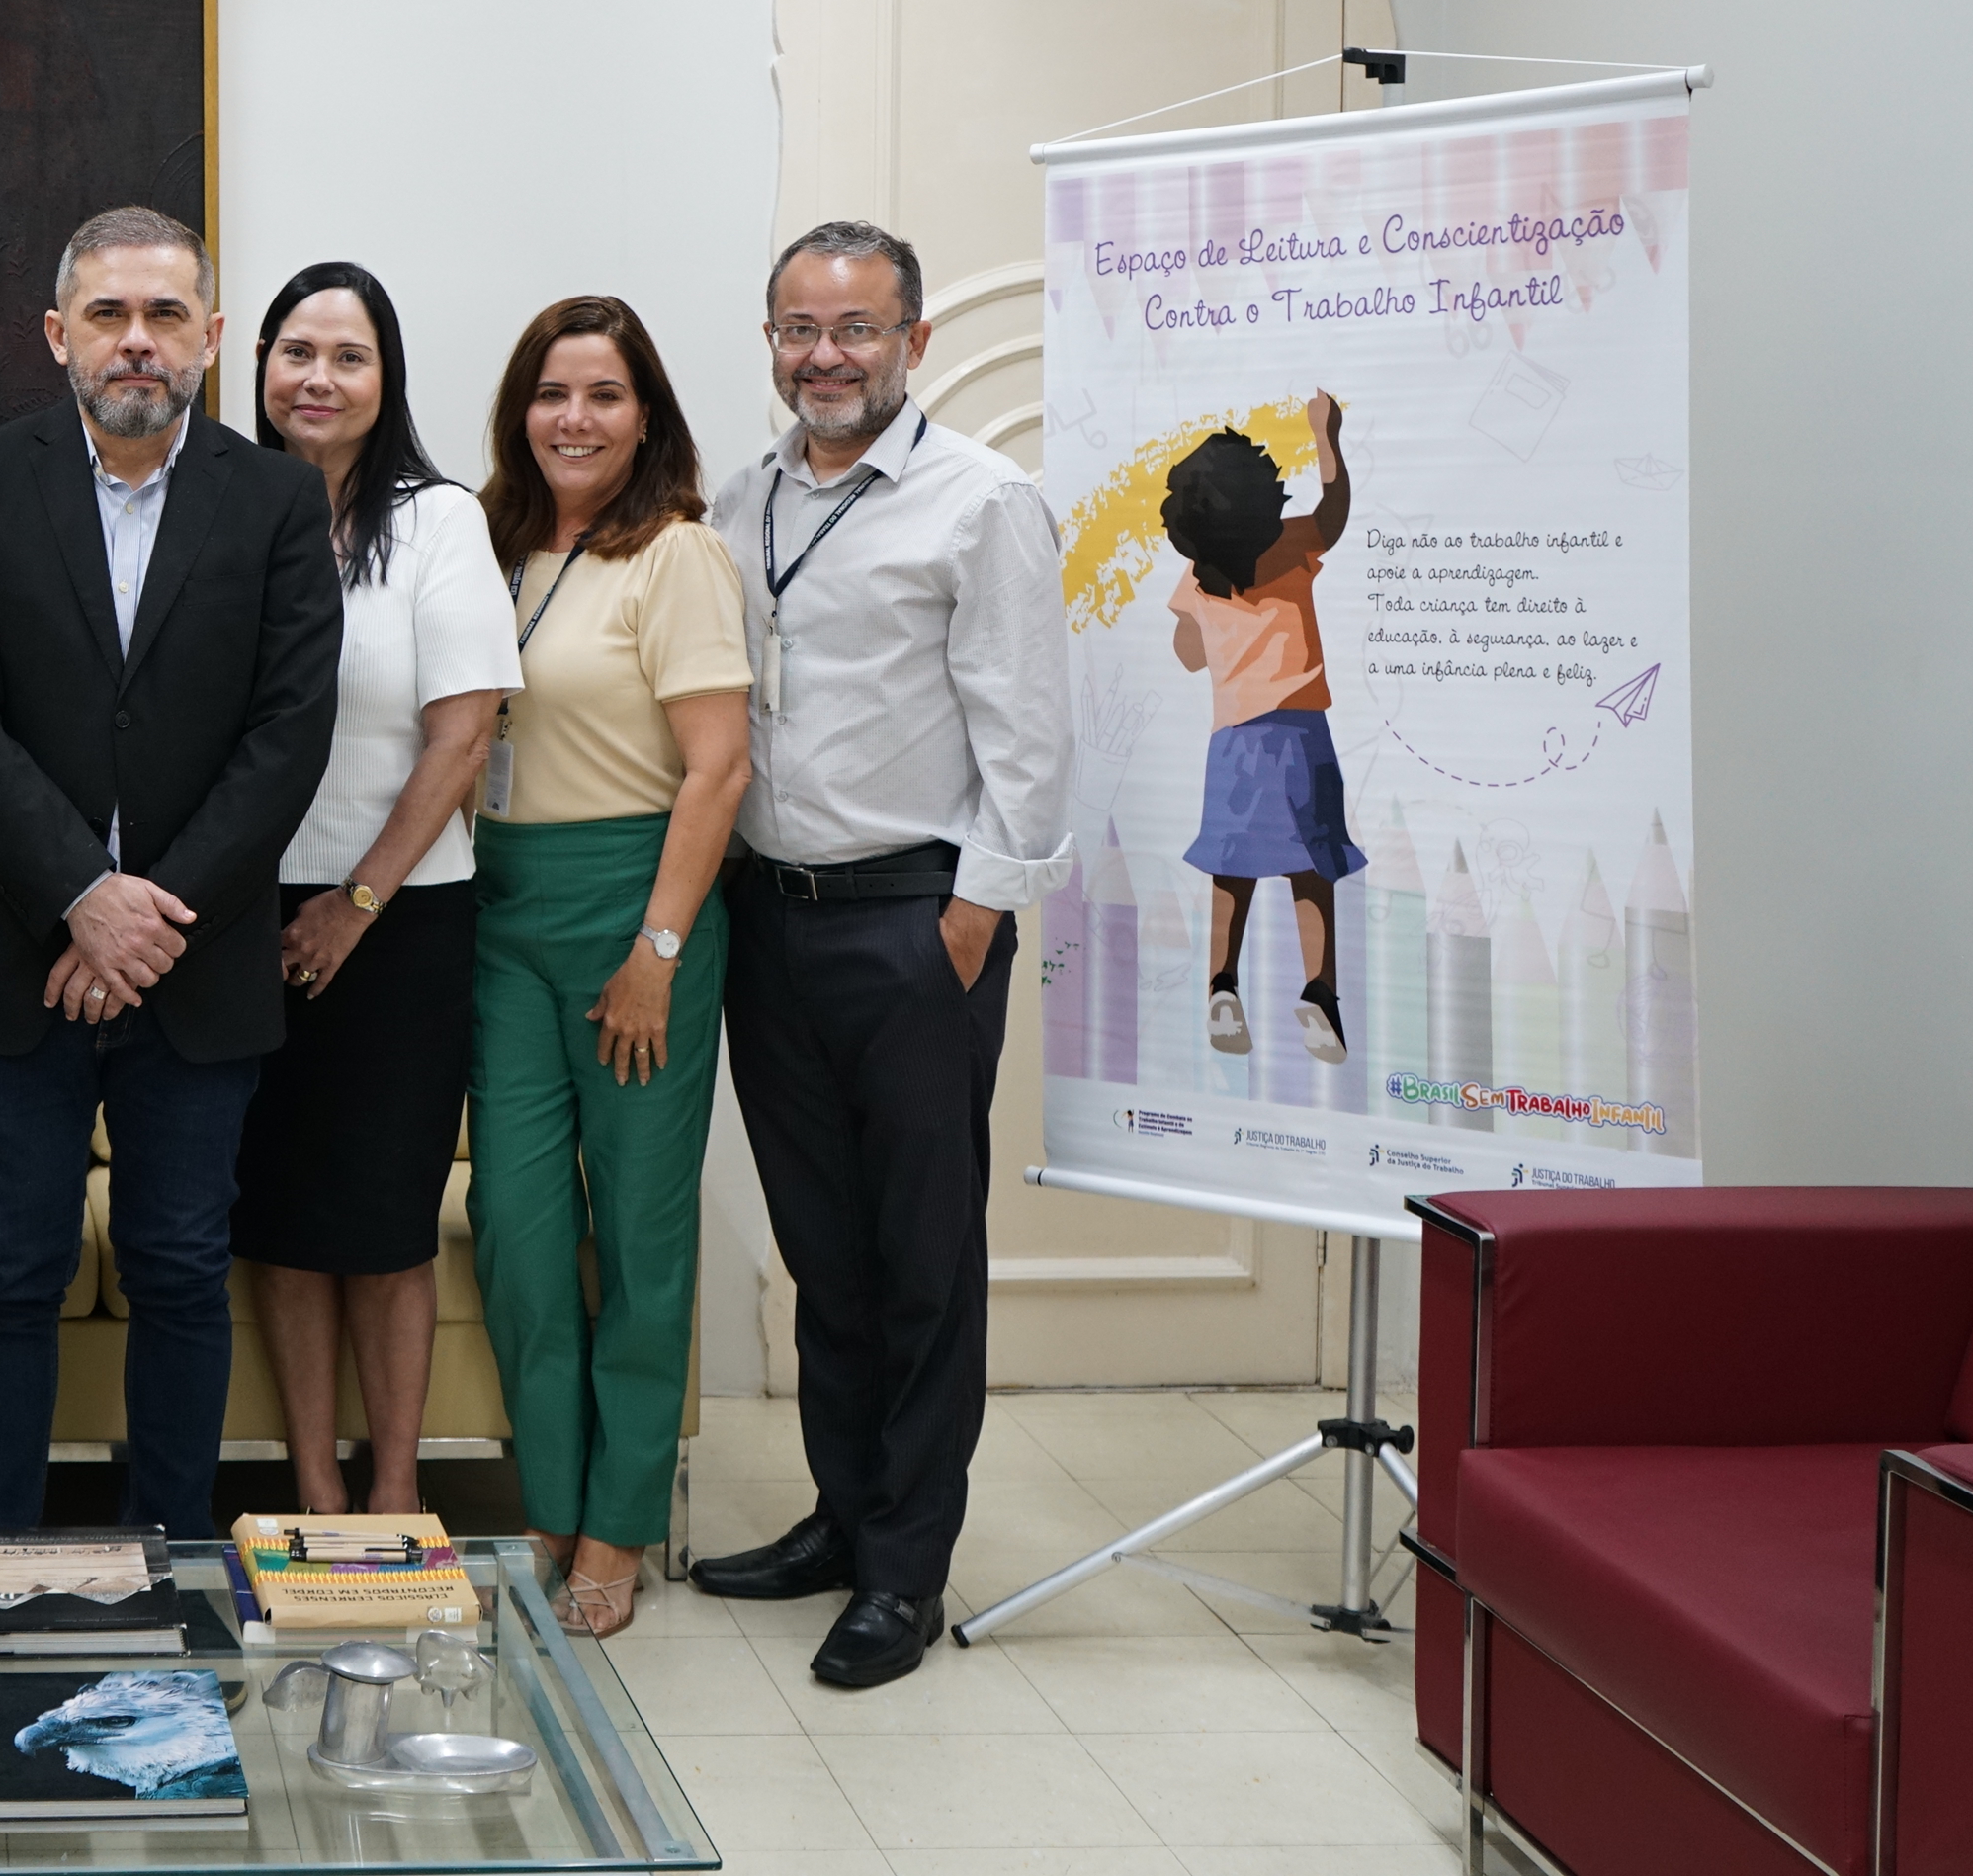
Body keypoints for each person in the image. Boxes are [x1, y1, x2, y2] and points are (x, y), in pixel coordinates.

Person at [0, 205, 342, 1541]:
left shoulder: (272, 496)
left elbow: (289, 731)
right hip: (10, 955)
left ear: (211, 337)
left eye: (164, 316)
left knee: (179, 1272)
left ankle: (174, 1567)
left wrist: (146, 921)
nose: (136, 342)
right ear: (57, 335)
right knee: (7, 1275)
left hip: (195, 971)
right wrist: (78, 898)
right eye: (108, 314)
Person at [695, 220, 1072, 1692]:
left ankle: (906, 1571)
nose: (824, 356)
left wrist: (967, 920)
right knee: (823, 1249)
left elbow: (1029, 737)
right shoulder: (743, 498)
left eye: (855, 329)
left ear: (912, 341)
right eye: (799, 328)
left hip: (914, 922)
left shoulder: (983, 504)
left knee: (920, 1257)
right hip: (769, 923)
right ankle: (843, 1520)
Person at [467, 297, 752, 1638]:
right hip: (500, 911)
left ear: (646, 417)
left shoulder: (677, 555)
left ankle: (621, 1522)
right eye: (551, 393)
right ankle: (551, 1494)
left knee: (638, 1229)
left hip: (637, 905)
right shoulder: (491, 540)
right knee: (523, 1235)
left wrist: (658, 949)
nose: (573, 418)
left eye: (603, 394)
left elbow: (719, 766)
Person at [230, 263, 517, 1518]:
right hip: (238, 913)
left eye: (348, 356)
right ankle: (312, 1487)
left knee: (389, 1219)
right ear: (260, 368)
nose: (319, 378)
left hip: (402, 917)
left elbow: (464, 734)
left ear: (386, 377)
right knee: (283, 1218)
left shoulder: (440, 519)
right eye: (297, 351)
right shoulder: (219, 509)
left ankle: (396, 1491)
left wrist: (353, 903)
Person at [1163, 394, 1361, 1065]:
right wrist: (1325, 439)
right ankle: (1319, 994)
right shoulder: (1293, 543)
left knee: (1231, 870)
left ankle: (1223, 986)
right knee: (1312, 871)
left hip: (1235, 742)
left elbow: (1188, 655)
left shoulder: (1199, 575)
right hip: (1301, 734)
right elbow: (1335, 512)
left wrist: (1214, 627)